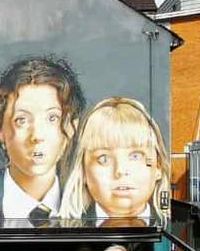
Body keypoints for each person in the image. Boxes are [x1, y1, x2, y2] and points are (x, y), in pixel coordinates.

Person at [0, 57, 86, 220]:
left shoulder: (86, 207)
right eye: (21, 120)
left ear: (71, 128)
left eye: (52, 118)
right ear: (1, 130)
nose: (37, 136)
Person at [58, 97, 169, 226]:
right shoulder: (64, 231)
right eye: (104, 158)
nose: (120, 171)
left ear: (158, 166)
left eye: (135, 156)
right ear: (83, 171)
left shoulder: (175, 230)